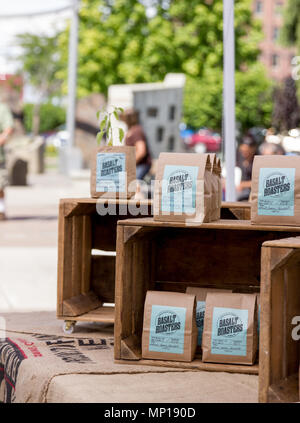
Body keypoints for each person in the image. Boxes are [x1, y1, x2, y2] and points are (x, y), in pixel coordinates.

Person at [120, 108, 152, 180]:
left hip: (141, 165)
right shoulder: (132, 130)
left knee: (133, 185)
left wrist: (129, 164)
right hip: (137, 165)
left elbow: (141, 151)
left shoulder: (136, 131)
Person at [0, 101, 14, 220]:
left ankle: (1, 210)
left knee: (0, 185)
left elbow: (9, 128)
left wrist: (2, 138)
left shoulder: (2, 108)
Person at [236, 135, 257, 201]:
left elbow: (260, 181)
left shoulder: (256, 162)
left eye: (247, 151)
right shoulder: (237, 159)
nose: (244, 153)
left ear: (253, 149)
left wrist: (244, 185)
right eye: (243, 151)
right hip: (236, 193)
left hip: (251, 194)